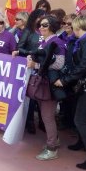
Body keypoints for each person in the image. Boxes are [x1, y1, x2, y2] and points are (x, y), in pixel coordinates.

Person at [55, 15, 86, 170]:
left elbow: (85, 64)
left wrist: (65, 80)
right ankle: (83, 143)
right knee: (79, 116)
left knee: (80, 120)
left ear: (78, 27)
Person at [27, 15, 65, 161]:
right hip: (44, 83)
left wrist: (35, 65)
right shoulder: (46, 41)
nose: (41, 28)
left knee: (47, 117)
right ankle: (54, 141)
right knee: (46, 116)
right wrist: (32, 58)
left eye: (45, 25)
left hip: (50, 85)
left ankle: (51, 149)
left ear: (53, 27)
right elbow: (43, 58)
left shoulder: (56, 42)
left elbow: (59, 64)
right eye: (40, 25)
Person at [13, 8, 46, 134]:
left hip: (44, 67)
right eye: (41, 17)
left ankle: (43, 122)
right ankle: (30, 122)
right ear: (35, 18)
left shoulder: (46, 30)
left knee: (44, 96)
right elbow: (20, 47)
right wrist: (33, 53)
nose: (43, 19)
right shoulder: (29, 31)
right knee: (31, 97)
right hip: (31, 67)